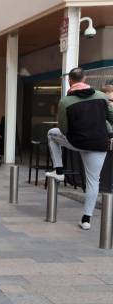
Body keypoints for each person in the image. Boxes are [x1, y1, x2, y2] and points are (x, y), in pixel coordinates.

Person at [44, 67, 113, 230]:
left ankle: (59, 171)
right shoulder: (102, 97)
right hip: (98, 144)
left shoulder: (65, 101)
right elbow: (111, 118)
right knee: (93, 181)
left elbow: (62, 128)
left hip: (77, 142)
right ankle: (86, 219)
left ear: (70, 81)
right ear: (85, 78)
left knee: (51, 134)